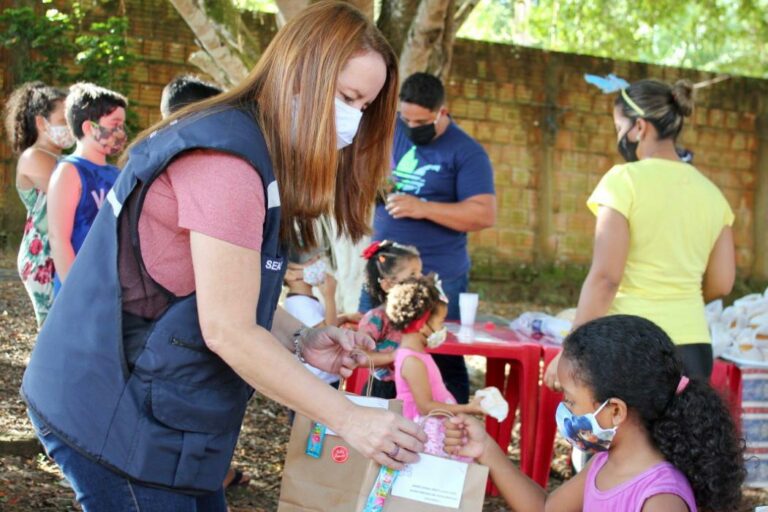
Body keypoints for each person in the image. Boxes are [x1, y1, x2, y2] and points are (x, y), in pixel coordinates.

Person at [22, 3, 426, 510]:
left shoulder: (257, 149)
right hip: (109, 408)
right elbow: (228, 330)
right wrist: (349, 418)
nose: (352, 120)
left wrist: (300, 337)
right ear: (299, 74)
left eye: (363, 107)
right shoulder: (227, 162)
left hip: (165, 408)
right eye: (346, 97)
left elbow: (222, 291)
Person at [446, 315, 745, 511]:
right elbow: (547, 508)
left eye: (571, 401)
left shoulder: (660, 499)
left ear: (615, 411)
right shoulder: (604, 462)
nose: (565, 410)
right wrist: (486, 449)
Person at [545, 79, 735, 388]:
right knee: (682, 437)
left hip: (633, 345)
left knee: (624, 438)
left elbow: (606, 278)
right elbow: (723, 282)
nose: (619, 135)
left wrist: (571, 349)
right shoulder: (712, 194)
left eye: (619, 126)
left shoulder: (624, 181)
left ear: (640, 127)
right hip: (694, 348)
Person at [362, 72, 496, 404]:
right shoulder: (390, 131)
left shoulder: (466, 152)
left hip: (437, 278)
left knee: (440, 356)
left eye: (421, 121)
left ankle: (450, 430)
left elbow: (483, 214)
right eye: (405, 118)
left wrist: (423, 208)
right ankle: (374, 426)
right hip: (384, 275)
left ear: (442, 113)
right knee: (372, 352)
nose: (411, 126)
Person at [388, 276, 483, 459]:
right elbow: (425, 407)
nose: (442, 328)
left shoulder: (418, 356)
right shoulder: (413, 361)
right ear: (422, 325)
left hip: (437, 430)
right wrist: (468, 408)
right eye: (440, 322)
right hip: (427, 437)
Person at [47, 82, 127, 294]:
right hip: (79, 286)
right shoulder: (69, 172)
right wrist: (75, 291)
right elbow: (58, 238)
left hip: (110, 284)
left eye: (123, 125)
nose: (120, 132)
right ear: (89, 127)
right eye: (115, 124)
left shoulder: (117, 174)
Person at [3, 82, 71, 326]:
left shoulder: (63, 158)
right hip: (42, 256)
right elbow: (71, 194)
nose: (71, 125)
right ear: (42, 123)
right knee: (53, 331)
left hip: (58, 253)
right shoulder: (35, 157)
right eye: (64, 119)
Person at [357, 240, 422, 398]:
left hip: (412, 386)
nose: (420, 279)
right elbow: (359, 356)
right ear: (387, 284)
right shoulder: (376, 318)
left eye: (420, 272)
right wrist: (392, 357)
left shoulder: (415, 315)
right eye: (413, 274)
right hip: (384, 390)